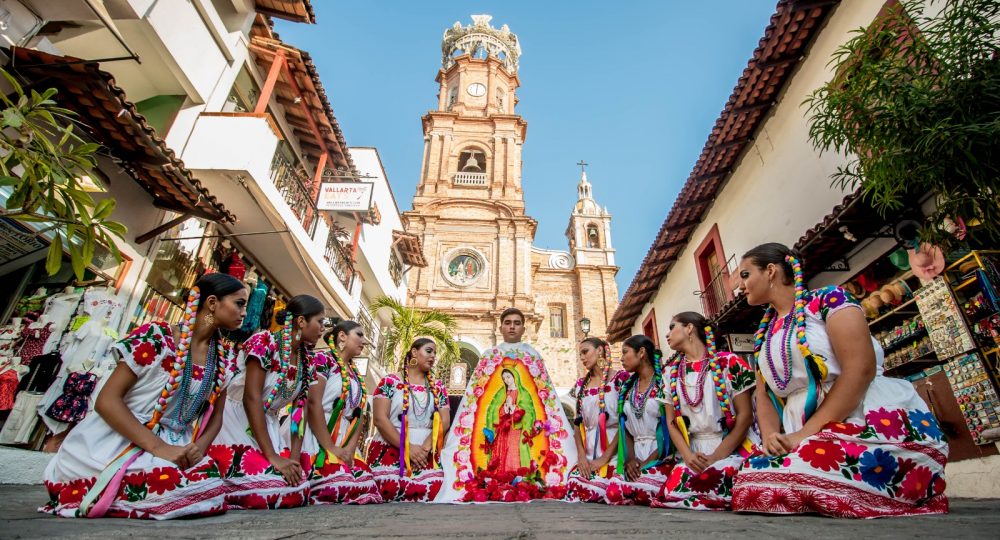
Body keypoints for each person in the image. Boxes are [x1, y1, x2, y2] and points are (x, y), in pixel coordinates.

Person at [730, 243, 949, 518]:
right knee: (750, 483)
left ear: (771, 271)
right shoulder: (765, 333)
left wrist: (804, 434)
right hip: (801, 437)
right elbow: (763, 395)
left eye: (746, 274)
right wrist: (773, 436)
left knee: (792, 481)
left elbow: (860, 369)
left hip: (859, 418)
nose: (740, 286)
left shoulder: (828, 300)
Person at [41, 273, 247, 519]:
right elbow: (107, 401)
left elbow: (216, 417)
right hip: (117, 441)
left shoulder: (223, 358)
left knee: (211, 489)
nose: (244, 312)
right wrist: (159, 447)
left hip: (176, 447)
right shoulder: (157, 337)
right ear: (212, 303)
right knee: (178, 488)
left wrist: (197, 449)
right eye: (239, 303)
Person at [434, 308, 578, 502]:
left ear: (523, 327)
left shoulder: (532, 356)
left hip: (520, 428)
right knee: (501, 455)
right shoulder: (489, 355)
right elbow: (482, 401)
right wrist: (502, 410)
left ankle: (524, 480)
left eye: (517, 323)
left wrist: (519, 410)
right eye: (508, 322)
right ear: (500, 326)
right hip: (500, 429)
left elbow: (541, 399)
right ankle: (496, 481)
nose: (512, 326)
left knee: (517, 454)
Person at [211, 294, 325, 510]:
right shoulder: (265, 342)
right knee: (267, 489)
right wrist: (272, 456)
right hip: (236, 421)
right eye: (320, 322)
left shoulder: (307, 361)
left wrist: (293, 457)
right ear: (301, 322)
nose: (322, 329)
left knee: (298, 488)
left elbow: (299, 413)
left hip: (268, 426)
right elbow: (251, 398)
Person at [651, 312, 757, 510]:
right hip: (693, 452)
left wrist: (717, 456)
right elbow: (671, 422)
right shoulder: (669, 373)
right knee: (679, 484)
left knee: (725, 477)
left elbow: (745, 416)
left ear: (689, 328)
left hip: (732, 446)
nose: (667, 334)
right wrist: (688, 457)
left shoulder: (728, 363)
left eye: (672, 327)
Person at [302, 319, 381, 504]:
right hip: (317, 435)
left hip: (345, 440)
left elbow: (359, 414)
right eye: (359, 335)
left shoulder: (354, 373)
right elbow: (313, 404)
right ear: (342, 336)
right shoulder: (323, 360)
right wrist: (331, 448)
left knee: (366, 485)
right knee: (336, 485)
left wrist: (350, 450)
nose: (364, 341)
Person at [367, 337, 451, 502]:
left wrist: (425, 449)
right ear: (414, 352)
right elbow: (379, 419)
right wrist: (408, 448)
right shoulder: (390, 382)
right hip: (393, 446)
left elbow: (444, 420)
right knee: (389, 487)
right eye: (428, 351)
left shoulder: (438, 387)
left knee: (438, 488)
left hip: (428, 450)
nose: (433, 356)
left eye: (435, 352)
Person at [604, 335, 672, 505]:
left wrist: (648, 462)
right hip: (635, 454)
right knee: (613, 493)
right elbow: (625, 428)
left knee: (644, 491)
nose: (621, 358)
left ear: (641, 352)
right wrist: (630, 459)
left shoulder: (663, 384)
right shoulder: (627, 389)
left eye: (625, 352)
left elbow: (670, 428)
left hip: (660, 453)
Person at [566, 338, 629, 503]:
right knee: (574, 485)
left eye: (585, 352)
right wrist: (581, 457)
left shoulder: (621, 379)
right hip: (590, 449)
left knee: (610, 491)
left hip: (616, 447)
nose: (582, 357)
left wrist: (604, 458)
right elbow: (577, 425)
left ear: (600, 350)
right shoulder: (580, 385)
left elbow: (625, 423)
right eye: (580, 354)